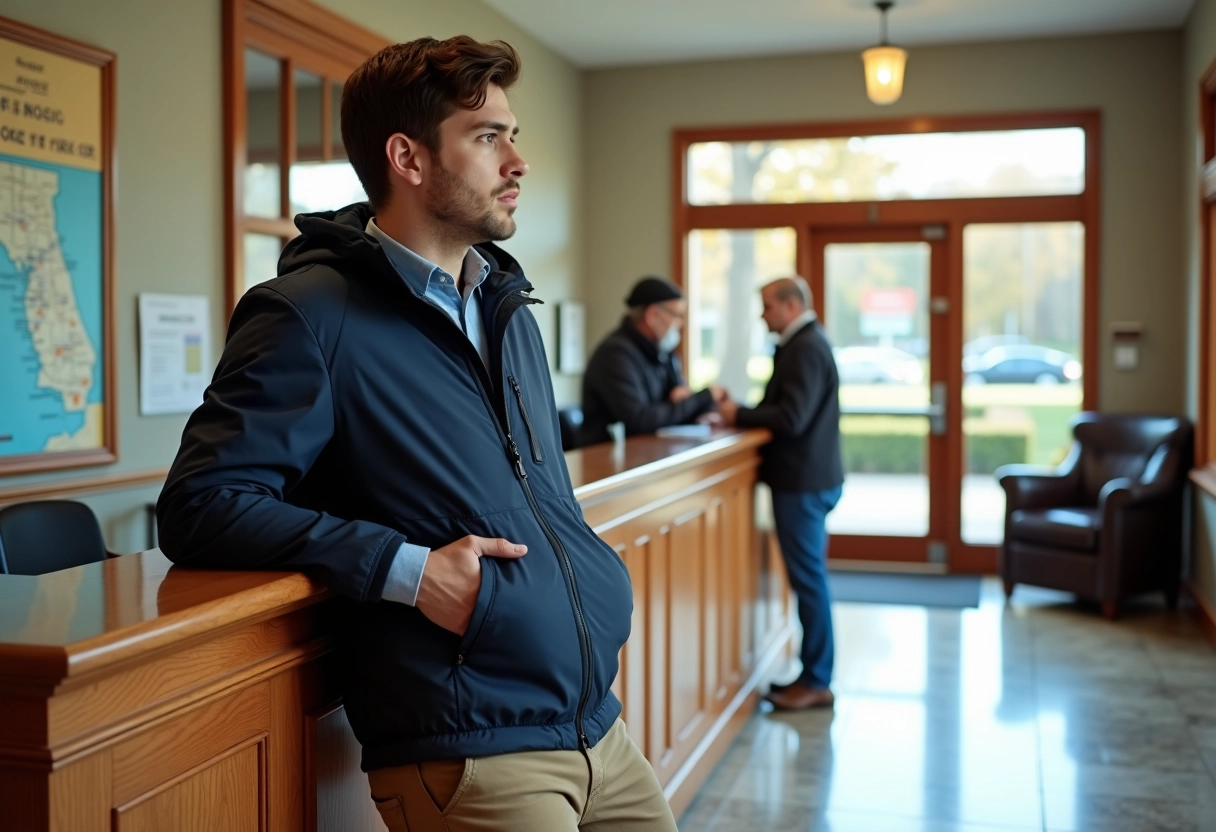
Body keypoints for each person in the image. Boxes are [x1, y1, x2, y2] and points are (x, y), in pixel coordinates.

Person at [157, 36, 676, 832]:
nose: (518, 161)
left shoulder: (507, 309)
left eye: (512, 133)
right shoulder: (307, 314)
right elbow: (203, 504)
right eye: (488, 136)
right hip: (473, 748)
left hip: (596, 726)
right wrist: (408, 571)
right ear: (408, 157)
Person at [718, 276, 844, 710]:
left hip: (804, 484)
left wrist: (739, 413)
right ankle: (814, 674)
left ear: (791, 306)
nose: (762, 314)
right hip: (807, 481)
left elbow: (792, 417)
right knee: (811, 579)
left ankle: (816, 679)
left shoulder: (806, 347)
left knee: (809, 582)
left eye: (768, 306)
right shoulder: (806, 343)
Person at [580, 276, 725, 446]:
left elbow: (678, 403)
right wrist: (704, 397)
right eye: (676, 315)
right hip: (605, 459)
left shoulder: (661, 353)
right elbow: (640, 419)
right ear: (652, 315)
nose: (680, 324)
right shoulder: (616, 354)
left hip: (649, 452)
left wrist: (699, 409)